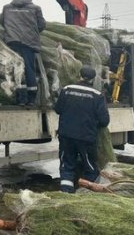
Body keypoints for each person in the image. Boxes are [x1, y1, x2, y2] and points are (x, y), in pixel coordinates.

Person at [54, 65, 110, 193]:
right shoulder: (97, 95)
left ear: (79, 76)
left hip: (66, 135)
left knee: (66, 164)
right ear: (93, 79)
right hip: (86, 137)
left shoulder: (67, 90)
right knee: (90, 166)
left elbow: (57, 109)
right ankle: (86, 194)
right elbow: (104, 121)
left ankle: (65, 192)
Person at [0, 0, 46, 105]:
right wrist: (33, 31)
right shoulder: (35, 8)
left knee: (17, 69)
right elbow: (41, 25)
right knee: (29, 69)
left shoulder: (6, 7)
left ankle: (21, 99)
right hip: (29, 43)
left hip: (12, 43)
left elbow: (1, 21)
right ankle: (31, 100)